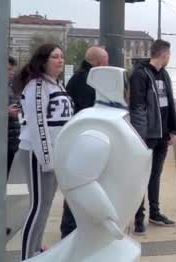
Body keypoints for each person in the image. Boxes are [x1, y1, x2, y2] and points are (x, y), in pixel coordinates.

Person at [14, 44, 74, 260]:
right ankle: (27, 255)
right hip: (37, 154)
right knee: (38, 206)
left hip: (53, 154)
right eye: (54, 57)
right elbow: (39, 125)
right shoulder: (37, 86)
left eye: (61, 56)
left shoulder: (56, 84)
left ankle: (36, 248)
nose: (60, 60)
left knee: (45, 205)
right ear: (43, 61)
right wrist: (47, 159)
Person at [130, 39, 176, 235]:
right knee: (141, 177)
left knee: (155, 176)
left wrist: (173, 130)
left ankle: (155, 213)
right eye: (169, 54)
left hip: (162, 135)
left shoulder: (165, 75)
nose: (169, 58)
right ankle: (138, 218)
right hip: (147, 136)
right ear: (164, 54)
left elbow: (169, 107)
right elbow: (137, 108)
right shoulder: (140, 74)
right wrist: (140, 137)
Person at [59, 46, 109, 239]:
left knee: (81, 185)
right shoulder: (86, 80)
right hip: (83, 141)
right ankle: (70, 230)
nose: (108, 64)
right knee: (79, 186)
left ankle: (74, 228)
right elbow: (91, 110)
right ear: (96, 62)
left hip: (82, 139)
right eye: (105, 60)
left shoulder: (82, 78)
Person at [7, 56, 21, 178]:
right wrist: (6, 113)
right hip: (2, 141)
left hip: (11, 141)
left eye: (13, 70)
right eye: (9, 69)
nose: (12, 73)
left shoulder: (10, 87)